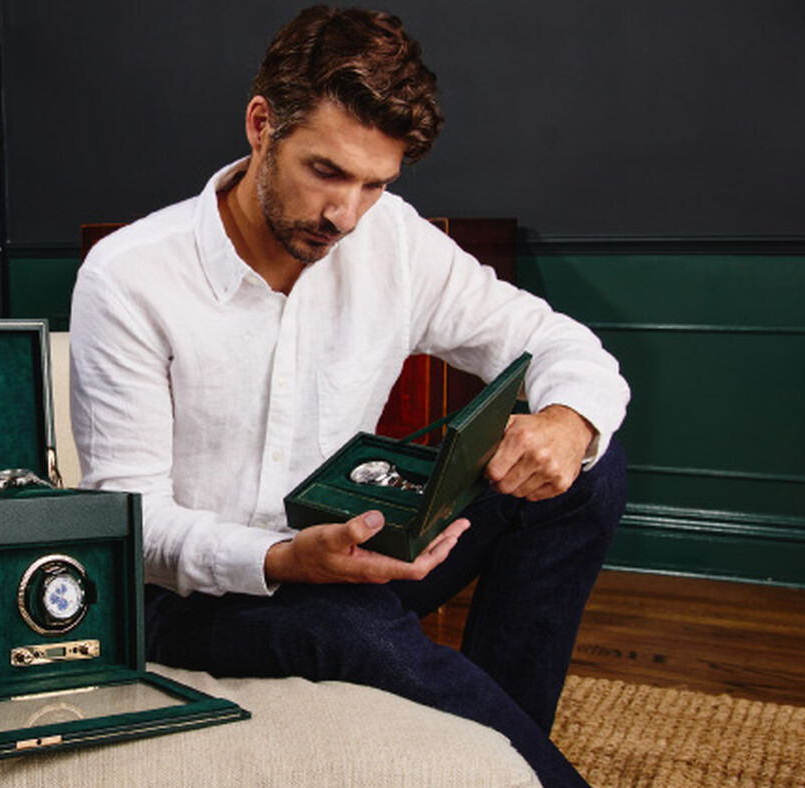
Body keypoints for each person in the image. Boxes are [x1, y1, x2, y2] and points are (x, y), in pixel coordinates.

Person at [68, 6, 629, 786]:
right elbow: (130, 525)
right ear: (262, 125)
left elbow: (560, 342)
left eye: (375, 183)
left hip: (352, 547)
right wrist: (282, 559)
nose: (345, 215)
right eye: (326, 172)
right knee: (351, 627)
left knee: (589, 467)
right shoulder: (130, 278)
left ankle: (504, 755)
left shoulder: (389, 237)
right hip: (195, 596)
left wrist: (568, 421)